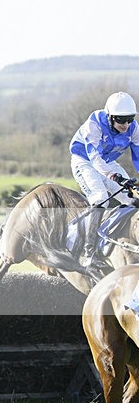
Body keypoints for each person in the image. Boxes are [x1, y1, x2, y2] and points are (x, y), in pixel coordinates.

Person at [70, 91, 139, 271]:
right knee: (101, 197)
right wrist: (114, 176)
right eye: (120, 120)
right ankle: (88, 253)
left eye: (130, 119)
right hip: (84, 161)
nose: (126, 125)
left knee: (133, 199)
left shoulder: (134, 128)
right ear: (109, 117)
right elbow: (95, 158)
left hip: (108, 162)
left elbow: (138, 157)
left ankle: (113, 239)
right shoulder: (94, 124)